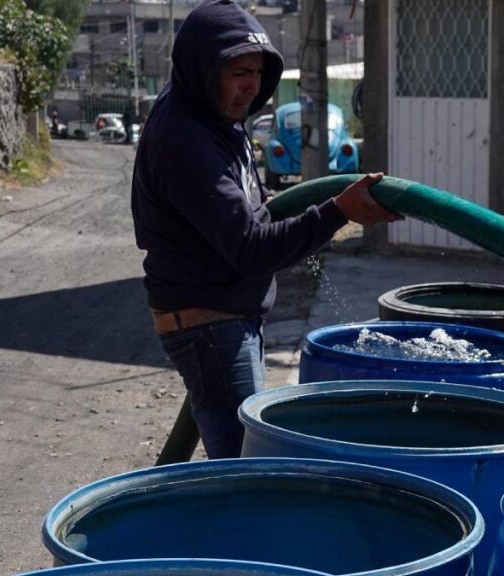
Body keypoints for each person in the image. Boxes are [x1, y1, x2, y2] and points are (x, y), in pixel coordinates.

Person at [131, 0, 400, 459]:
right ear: (203, 69)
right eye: (238, 71)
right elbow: (252, 248)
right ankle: (196, 530)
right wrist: (339, 211)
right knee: (248, 470)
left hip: (225, 318)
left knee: (243, 462)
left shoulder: (212, 115)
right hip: (210, 326)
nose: (250, 86)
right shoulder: (187, 141)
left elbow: (237, 212)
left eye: (256, 71)